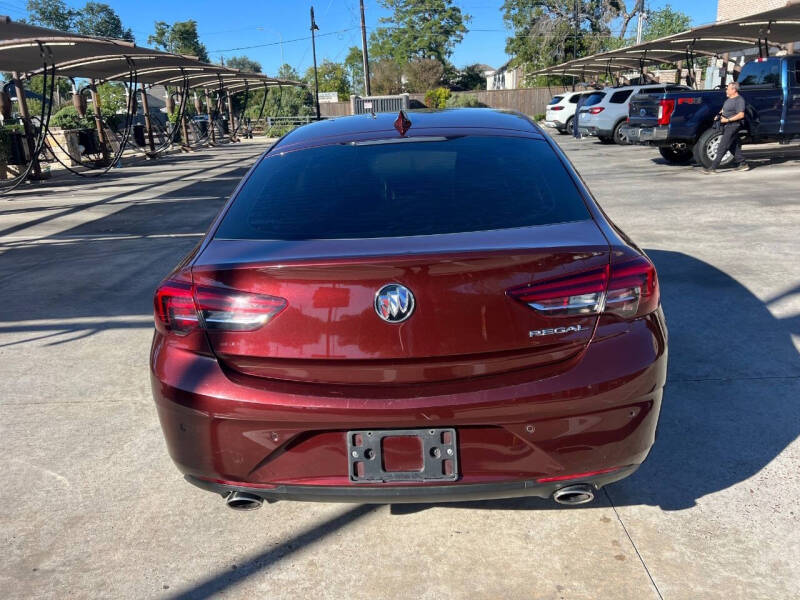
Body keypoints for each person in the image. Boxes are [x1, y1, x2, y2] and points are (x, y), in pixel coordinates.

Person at [704, 81, 749, 173]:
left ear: (734, 90)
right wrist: (719, 115)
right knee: (732, 145)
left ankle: (713, 168)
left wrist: (727, 120)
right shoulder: (729, 99)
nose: (726, 90)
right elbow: (723, 110)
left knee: (723, 146)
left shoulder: (739, 100)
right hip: (726, 125)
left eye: (728, 89)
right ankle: (743, 164)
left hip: (734, 125)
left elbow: (741, 115)